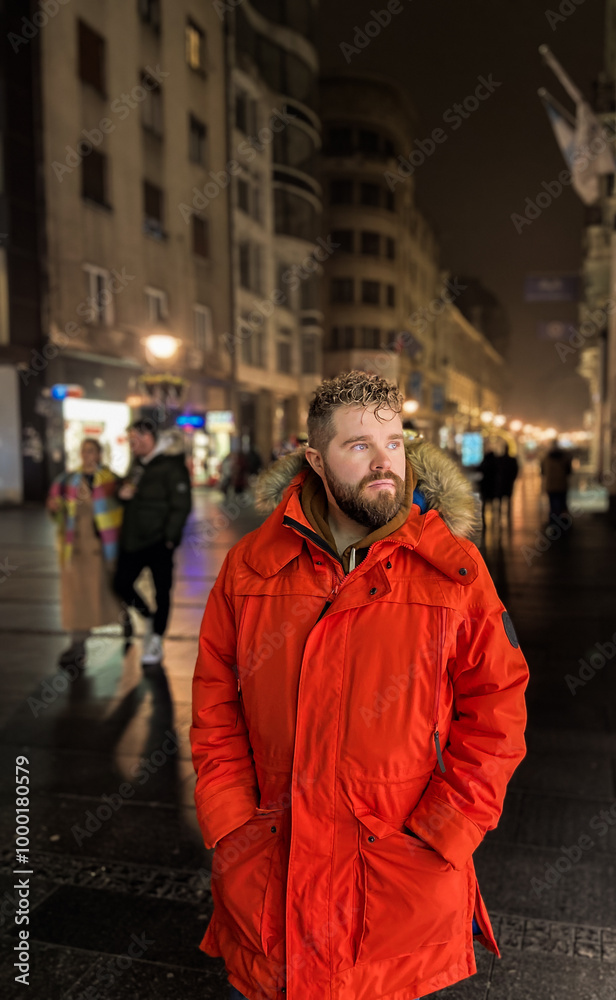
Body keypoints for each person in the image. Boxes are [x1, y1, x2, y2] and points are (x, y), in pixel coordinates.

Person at [191, 371, 529, 1000]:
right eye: (359, 446)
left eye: (394, 443)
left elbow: (498, 707)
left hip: (400, 878)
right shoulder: (252, 567)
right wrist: (229, 814)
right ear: (316, 460)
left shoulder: (452, 570)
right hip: (269, 866)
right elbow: (215, 700)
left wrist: (448, 827)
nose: (384, 463)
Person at [114, 420, 192, 666]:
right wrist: (121, 494)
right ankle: (147, 616)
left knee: (162, 590)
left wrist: (170, 538)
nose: (131, 444)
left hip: (159, 541)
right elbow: (129, 492)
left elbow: (181, 505)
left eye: (134, 439)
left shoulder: (172, 466)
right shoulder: (138, 464)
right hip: (133, 539)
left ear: (147, 437)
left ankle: (157, 639)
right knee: (120, 583)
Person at [46, 438, 123, 667]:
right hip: (74, 549)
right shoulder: (67, 480)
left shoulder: (110, 481)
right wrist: (54, 508)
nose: (87, 455)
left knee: (106, 594)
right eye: (84, 451)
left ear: (99, 454)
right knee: (76, 601)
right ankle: (77, 645)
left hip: (100, 549)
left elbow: (121, 510)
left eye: (91, 451)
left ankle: (125, 616)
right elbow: (57, 511)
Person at [541, 438, 573, 522]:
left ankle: (553, 521)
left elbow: (542, 472)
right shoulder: (565, 458)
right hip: (562, 484)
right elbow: (569, 471)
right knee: (562, 504)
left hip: (550, 485)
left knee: (552, 504)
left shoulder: (546, 458)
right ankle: (563, 521)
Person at [497, 443, 519, 520]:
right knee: (508, 498)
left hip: (502, 482)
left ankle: (500, 514)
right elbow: (515, 471)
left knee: (501, 499)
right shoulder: (512, 460)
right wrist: (512, 479)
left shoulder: (500, 459)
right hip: (508, 482)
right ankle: (508, 514)